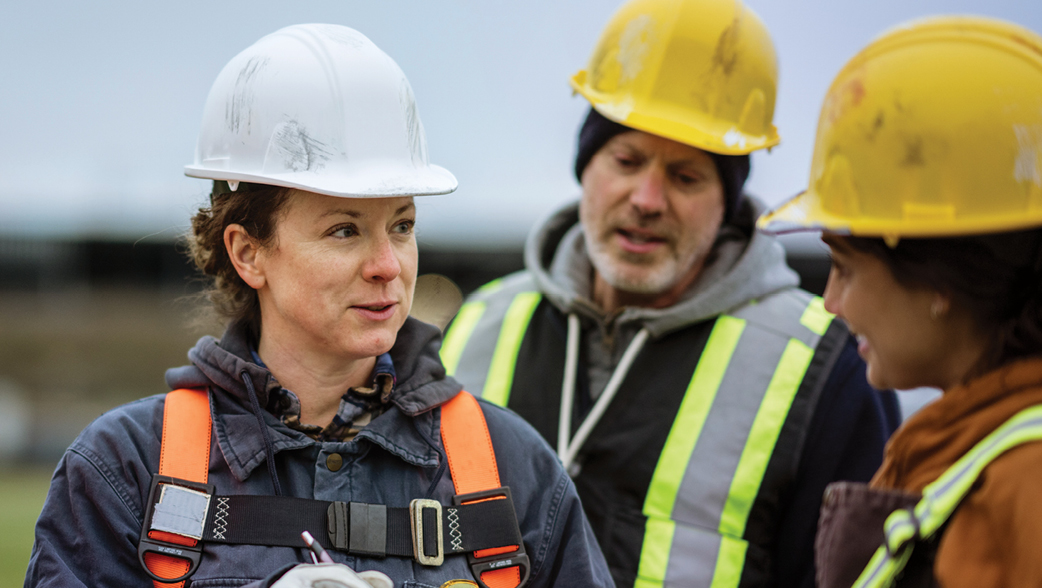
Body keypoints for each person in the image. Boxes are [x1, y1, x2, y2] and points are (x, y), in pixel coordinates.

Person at [24, 24, 613, 588]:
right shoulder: (126, 469)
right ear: (248, 252)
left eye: (402, 225)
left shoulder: (512, 470)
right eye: (344, 231)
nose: (388, 264)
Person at [439, 1, 900, 586]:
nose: (648, 199)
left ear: (727, 201)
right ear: (586, 167)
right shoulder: (481, 323)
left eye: (686, 176)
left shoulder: (826, 366)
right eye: (626, 160)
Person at [759, 15, 1042, 588]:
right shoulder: (968, 445)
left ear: (942, 279)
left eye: (844, 269)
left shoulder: (1024, 484)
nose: (830, 302)